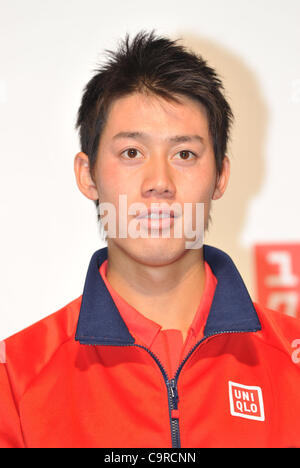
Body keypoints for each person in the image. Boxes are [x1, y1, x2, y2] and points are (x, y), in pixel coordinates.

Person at [1, 31, 300, 449]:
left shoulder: (291, 363)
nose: (159, 183)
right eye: (131, 153)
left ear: (221, 177)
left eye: (184, 155)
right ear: (88, 175)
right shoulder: (15, 381)